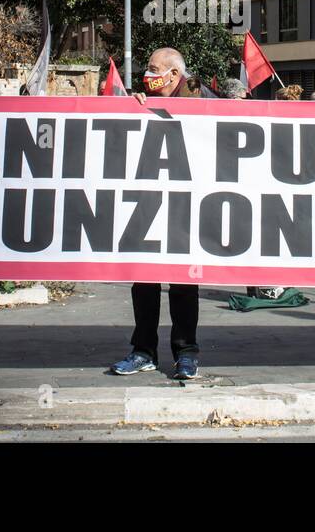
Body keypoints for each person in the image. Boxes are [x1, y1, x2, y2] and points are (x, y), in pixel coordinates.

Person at [110, 47, 202, 380]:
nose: (147, 74)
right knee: (144, 278)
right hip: (149, 202)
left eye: (152, 68)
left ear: (175, 75)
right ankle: (143, 351)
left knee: (183, 283)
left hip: (184, 205)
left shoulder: (201, 97)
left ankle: (186, 353)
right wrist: (133, 110)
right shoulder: (143, 100)